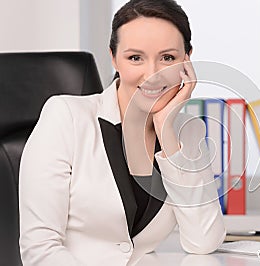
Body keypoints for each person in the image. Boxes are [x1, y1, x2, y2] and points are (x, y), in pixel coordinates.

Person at [18, 0, 226, 265]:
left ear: (187, 59)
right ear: (114, 58)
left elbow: (203, 241)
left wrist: (166, 130)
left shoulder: (189, 131)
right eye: (135, 58)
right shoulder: (65, 117)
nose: (152, 75)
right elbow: (39, 248)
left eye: (168, 58)